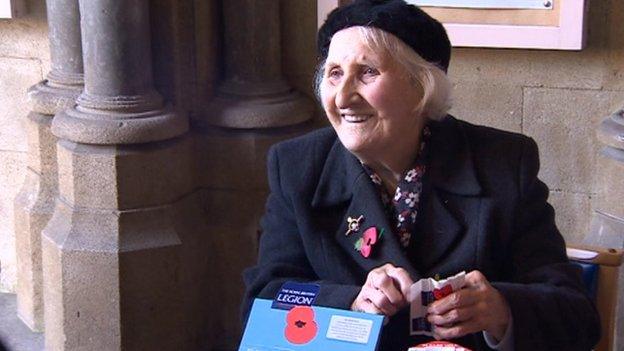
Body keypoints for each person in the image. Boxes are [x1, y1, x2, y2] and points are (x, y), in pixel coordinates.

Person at [241, 0, 600, 350]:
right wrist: (350, 303)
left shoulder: (503, 165)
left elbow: (576, 317)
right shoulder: (298, 167)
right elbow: (265, 299)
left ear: (420, 87)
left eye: (367, 72)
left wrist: (501, 309)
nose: (343, 97)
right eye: (334, 74)